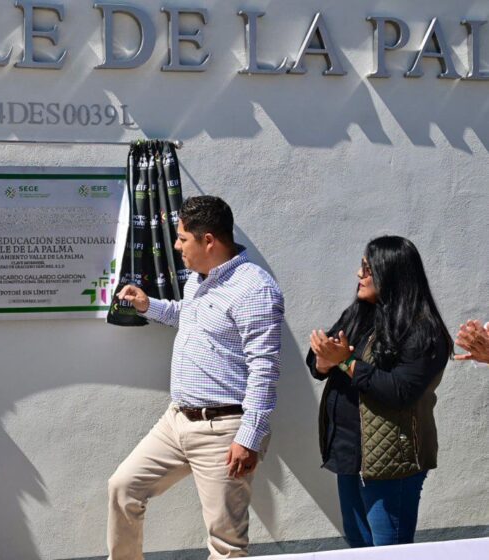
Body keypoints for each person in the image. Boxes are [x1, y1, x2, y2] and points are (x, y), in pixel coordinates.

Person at [108, 195, 284, 559]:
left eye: (182, 238)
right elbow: (190, 316)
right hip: (176, 421)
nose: (176, 246)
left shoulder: (255, 289)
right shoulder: (198, 279)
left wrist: (248, 438)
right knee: (124, 487)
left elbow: (264, 371)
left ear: (209, 241)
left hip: (224, 431)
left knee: (225, 541)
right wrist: (148, 305)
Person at [307, 236, 453, 548]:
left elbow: (400, 391)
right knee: (359, 548)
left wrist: (345, 361)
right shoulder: (359, 314)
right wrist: (321, 361)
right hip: (350, 453)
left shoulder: (423, 330)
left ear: (392, 273)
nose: (359, 275)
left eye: (367, 268)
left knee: (389, 549)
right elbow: (321, 360)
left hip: (391, 462)